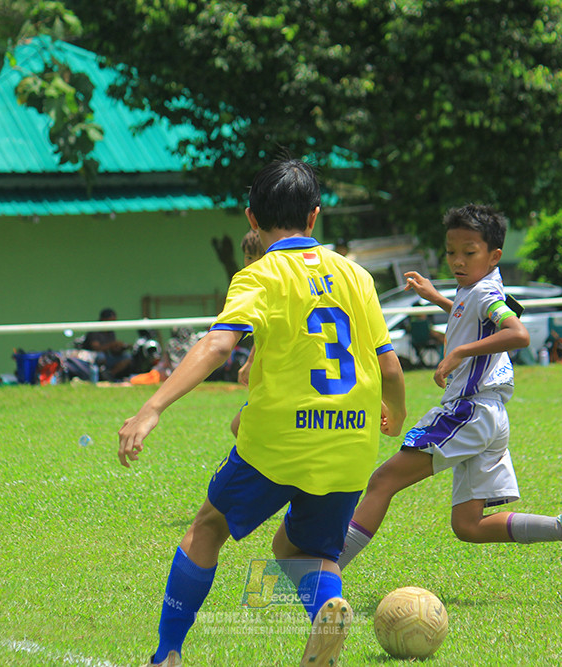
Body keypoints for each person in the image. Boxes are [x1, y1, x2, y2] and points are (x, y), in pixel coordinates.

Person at [118, 158, 407, 667]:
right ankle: (325, 610)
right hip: (351, 442)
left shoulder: (259, 274)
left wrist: (152, 406)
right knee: (303, 551)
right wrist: (396, 416)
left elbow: (216, 345)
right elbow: (390, 367)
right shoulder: (357, 276)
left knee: (207, 528)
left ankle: (166, 654)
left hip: (280, 442)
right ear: (314, 216)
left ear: (252, 218)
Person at [337, 204, 562, 579]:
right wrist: (438, 299)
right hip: (489, 417)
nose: (457, 261)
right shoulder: (473, 291)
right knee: (467, 525)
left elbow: (518, 333)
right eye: (451, 252)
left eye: (469, 252)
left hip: (469, 412)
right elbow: (471, 317)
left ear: (494, 255)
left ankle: (324, 573)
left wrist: (459, 352)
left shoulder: (486, 294)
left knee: (383, 481)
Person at [229, 229, 266, 437]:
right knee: (239, 427)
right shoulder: (251, 284)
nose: (252, 263)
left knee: (239, 427)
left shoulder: (267, 285)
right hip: (269, 374)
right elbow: (263, 333)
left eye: (259, 257)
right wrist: (251, 362)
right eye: (249, 257)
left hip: (283, 375)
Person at [83, 308, 133, 380]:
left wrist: (122, 347)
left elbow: (113, 350)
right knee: (101, 356)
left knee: (127, 356)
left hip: (108, 357)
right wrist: (111, 344)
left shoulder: (110, 331)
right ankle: (99, 376)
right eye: (111, 321)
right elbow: (96, 348)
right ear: (104, 319)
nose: (113, 323)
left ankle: (109, 375)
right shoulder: (94, 330)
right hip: (93, 358)